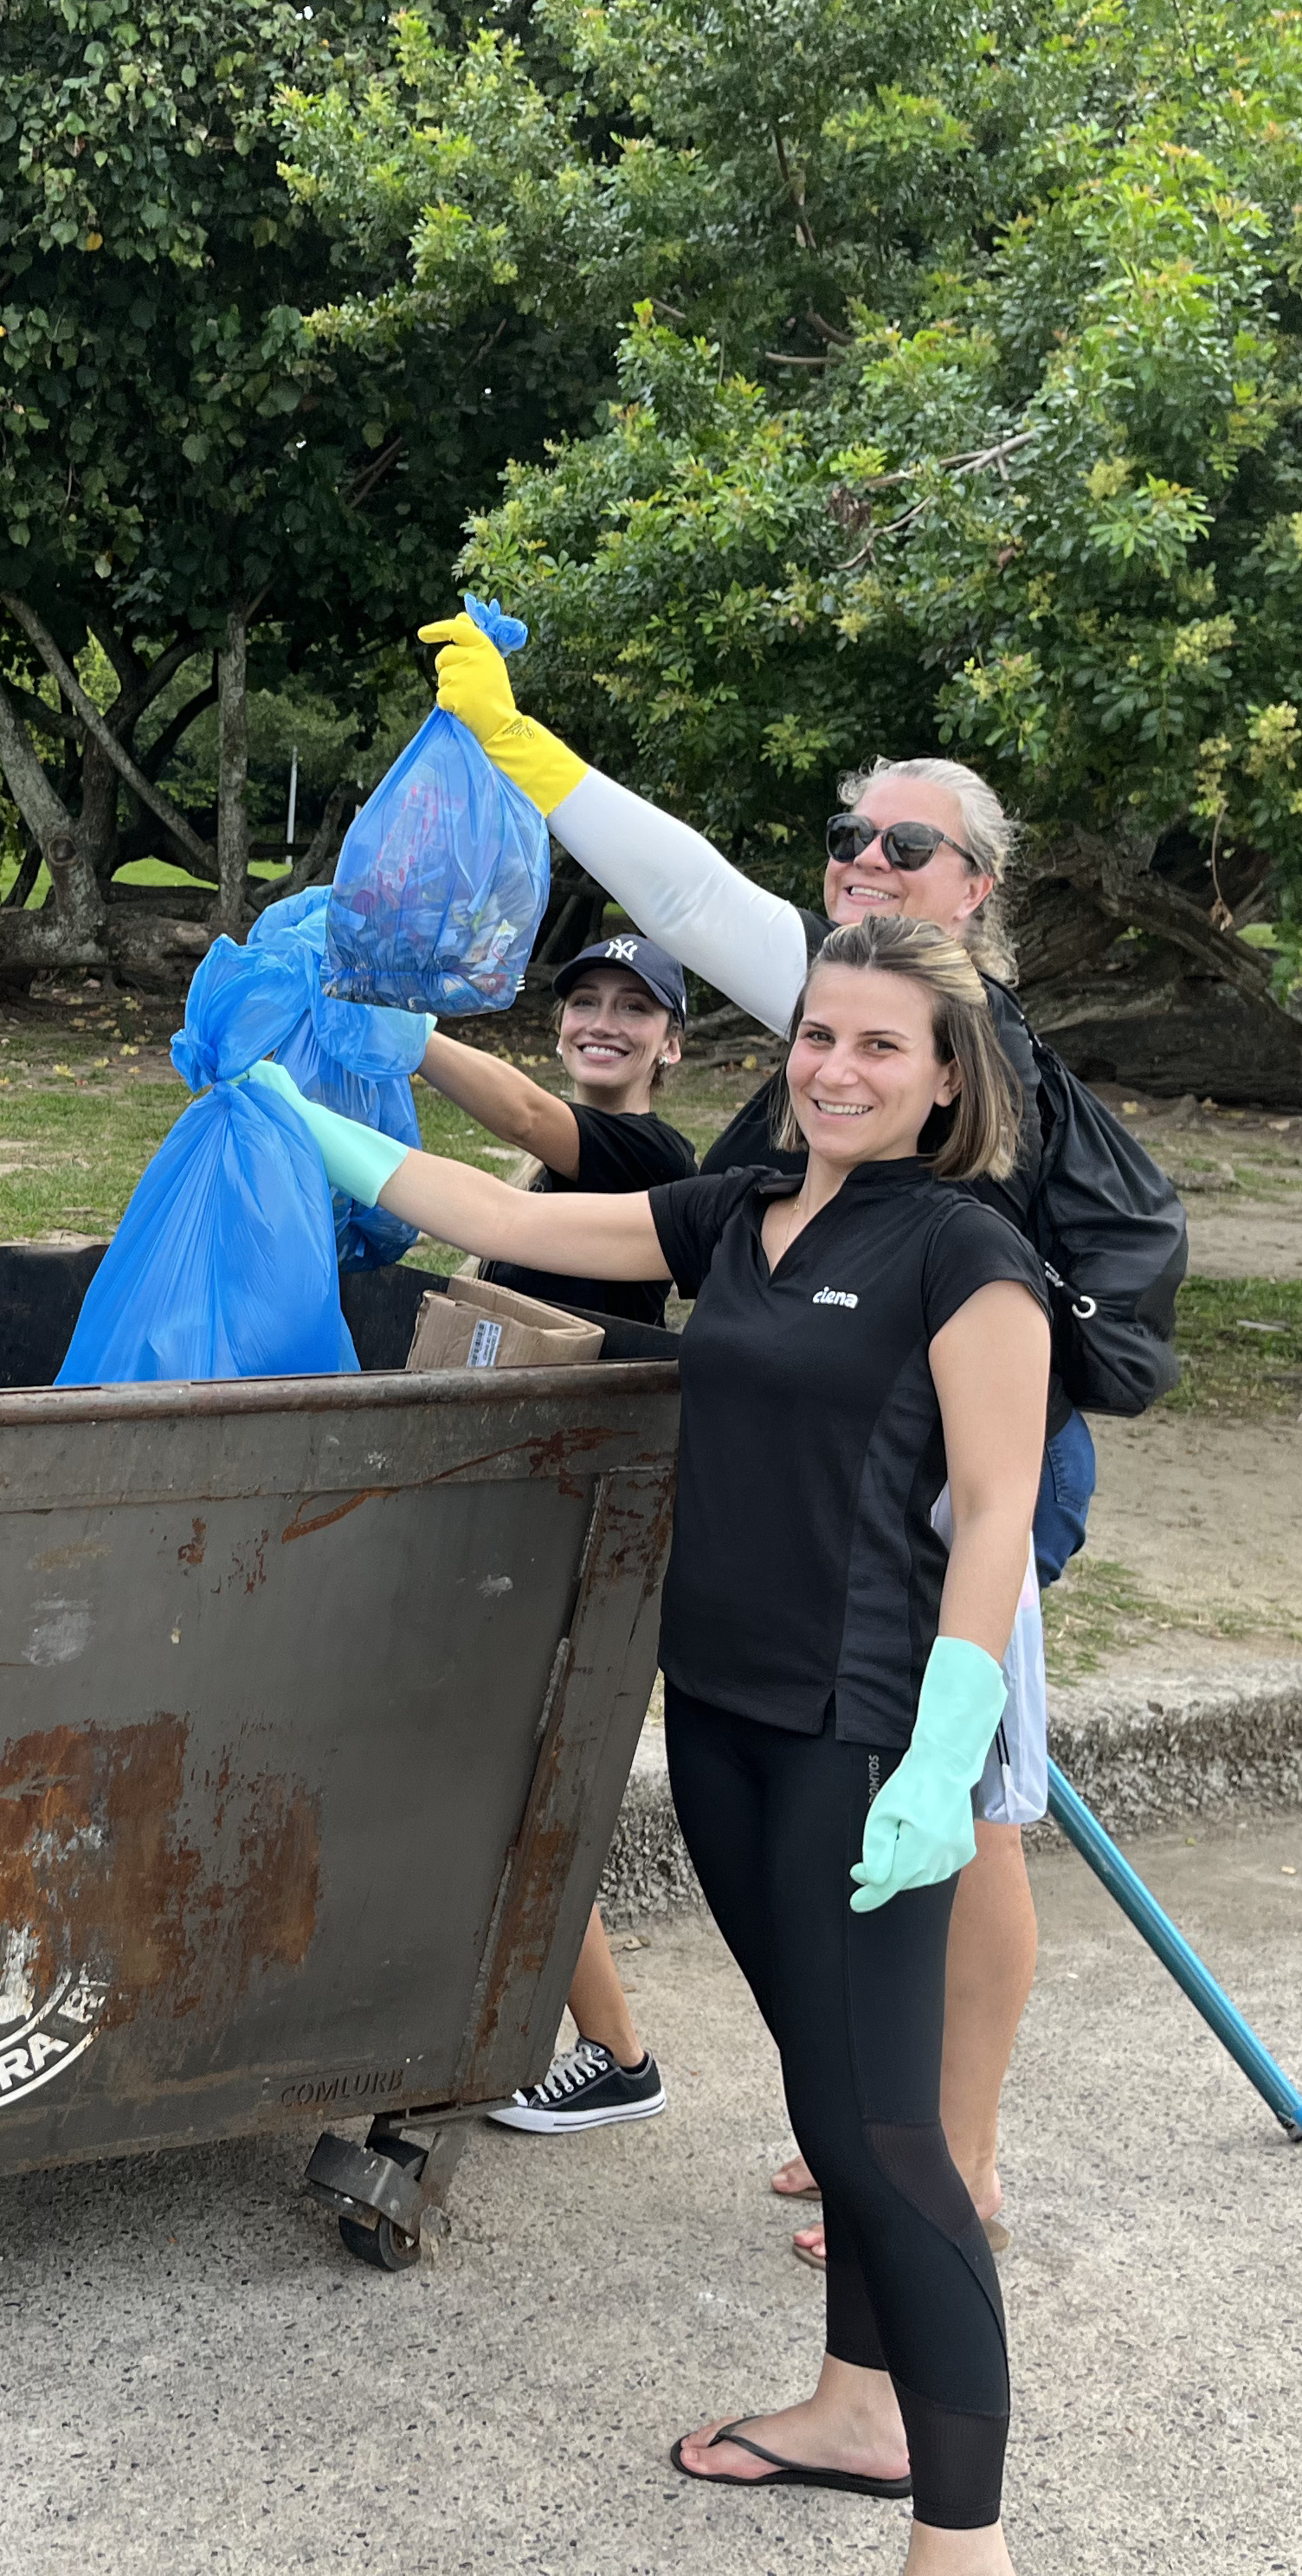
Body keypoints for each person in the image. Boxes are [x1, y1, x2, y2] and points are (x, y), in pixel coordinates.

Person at [259, 912, 1049, 2570]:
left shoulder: (967, 1255)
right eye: (819, 1036)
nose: (836, 1069)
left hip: (864, 1733)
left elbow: (993, 1521)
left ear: (945, 1078)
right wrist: (279, 1099)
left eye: (879, 1046)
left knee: (894, 2144)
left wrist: (945, 1744)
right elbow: (488, 1208)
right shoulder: (743, 1215)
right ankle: (857, 2405)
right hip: (728, 1715)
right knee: (836, 2116)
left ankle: (964, 2541)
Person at [422, 616, 1144, 2262]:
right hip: (857, 1444)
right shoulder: (846, 991)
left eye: (914, 843)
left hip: (970, 1470)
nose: (869, 864)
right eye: (848, 839)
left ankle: (950, 2161)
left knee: (971, 1811)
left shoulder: (949, 1020)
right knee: (894, 1802)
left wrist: (527, 752)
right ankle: (875, 2119)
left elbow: (681, 897)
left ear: (976, 889)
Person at [414, 933, 696, 2135]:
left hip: (586, 1513)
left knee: (530, 1778)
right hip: (535, 1498)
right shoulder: (548, 1184)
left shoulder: (649, 1157)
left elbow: (531, 1113)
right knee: (500, 1771)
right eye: (585, 1000)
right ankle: (513, 2015)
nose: (604, 1022)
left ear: (673, 1047)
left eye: (636, 1010)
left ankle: (619, 2055)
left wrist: (387, 1031)